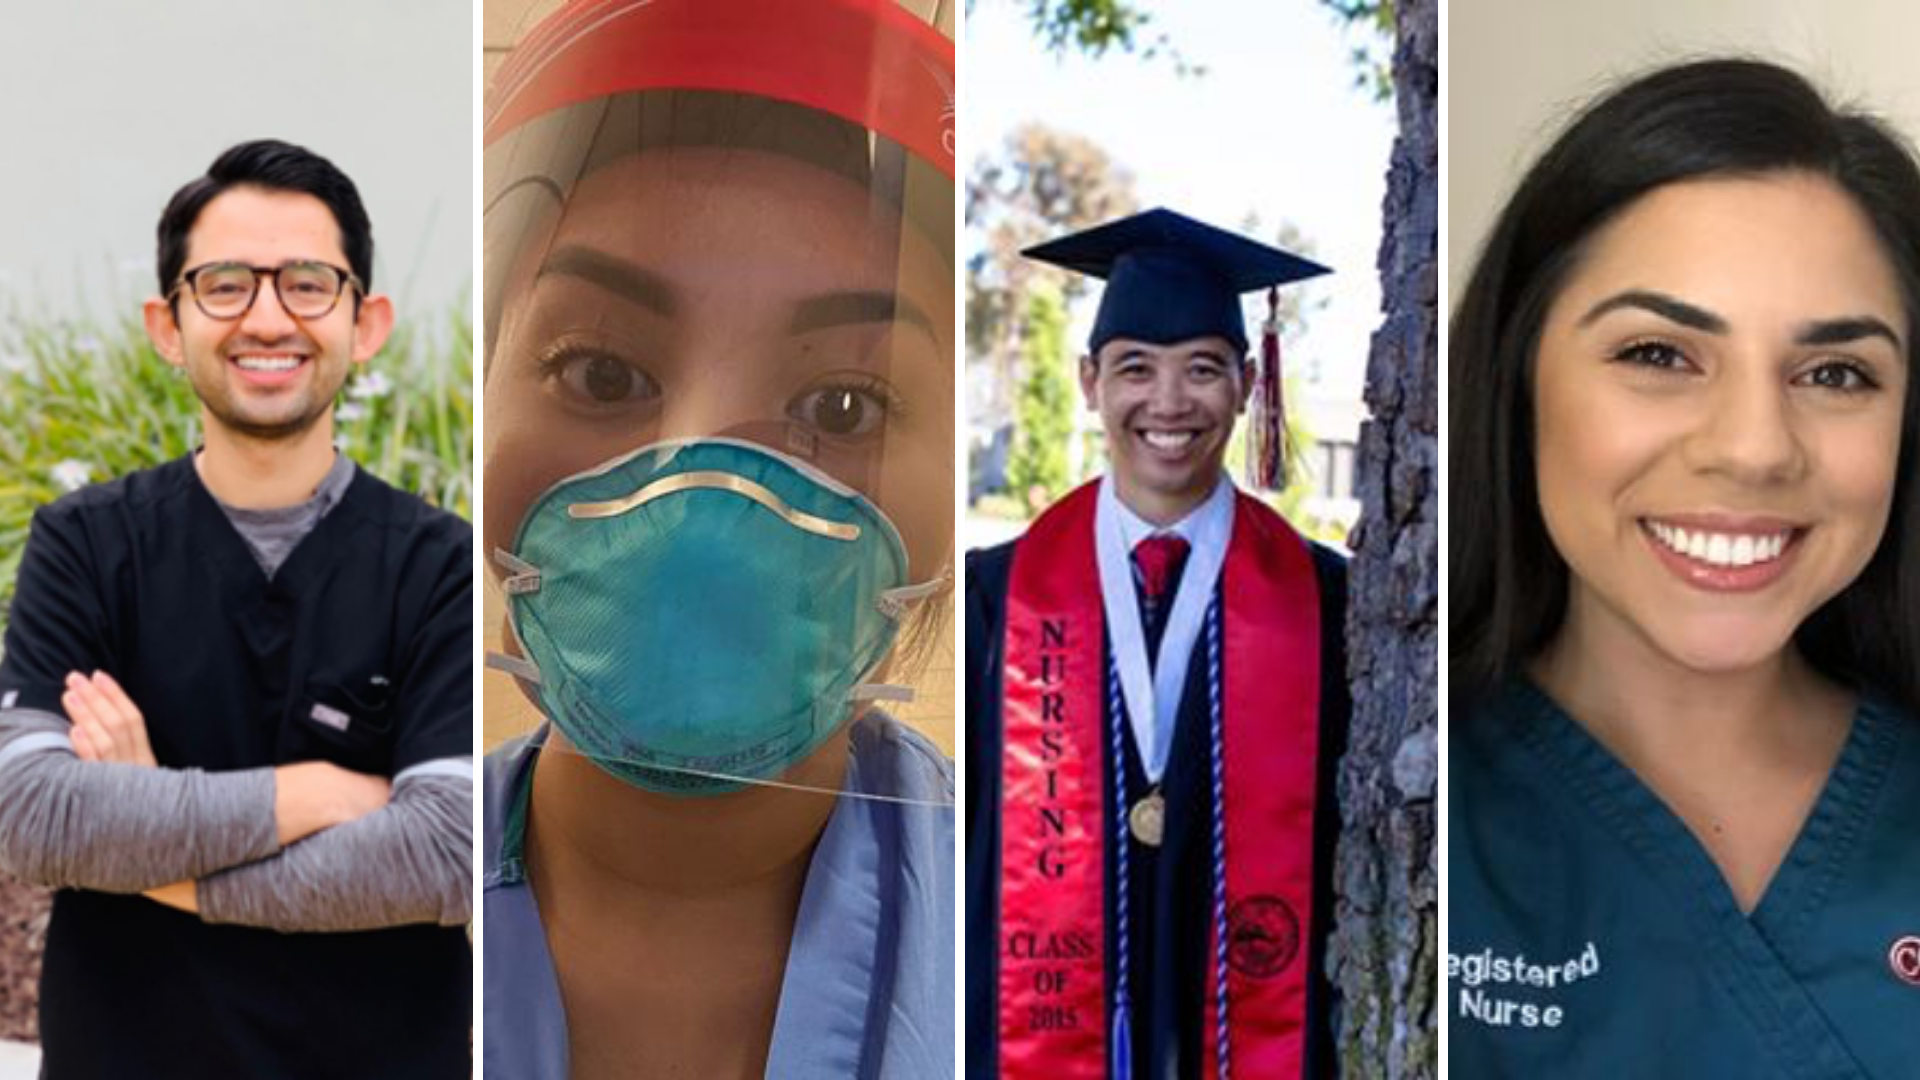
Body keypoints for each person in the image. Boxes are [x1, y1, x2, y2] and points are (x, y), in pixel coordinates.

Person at [479, 1, 955, 1076]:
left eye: (843, 408)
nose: (700, 499)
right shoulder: (392, 892)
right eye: (603, 374)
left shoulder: (1033, 917)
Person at [1447, 58, 1920, 1078]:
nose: (1754, 448)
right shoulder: (1392, 805)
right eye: (1659, 354)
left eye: (1837, 373)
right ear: (1518, 377)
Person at [0, 141, 472, 1076]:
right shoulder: (86, 545)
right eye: (223, 284)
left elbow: (443, 855)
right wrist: (324, 794)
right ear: (168, 325)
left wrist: (146, 844)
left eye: (307, 282)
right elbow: (33, 815)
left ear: (363, 321)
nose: (266, 317)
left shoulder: (437, 565)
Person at [965, 208, 1352, 1079]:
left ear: (1250, 383)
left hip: (1253, 1024)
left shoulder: (1327, 602)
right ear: (1089, 380)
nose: (1170, 404)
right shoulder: (997, 595)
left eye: (1203, 370)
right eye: (1137, 368)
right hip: (1038, 1027)